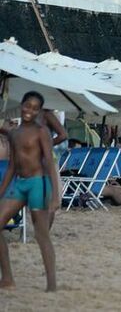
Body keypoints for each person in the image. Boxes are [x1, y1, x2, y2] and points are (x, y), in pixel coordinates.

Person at [0, 91, 62, 291]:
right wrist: (1, 192)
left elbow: (50, 164)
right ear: (22, 105)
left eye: (35, 108)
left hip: (38, 183)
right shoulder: (16, 133)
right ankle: (8, 279)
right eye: (28, 106)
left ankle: (51, 284)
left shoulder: (41, 131)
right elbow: (11, 167)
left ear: (39, 112)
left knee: (41, 234)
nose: (30, 111)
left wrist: (55, 195)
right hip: (19, 183)